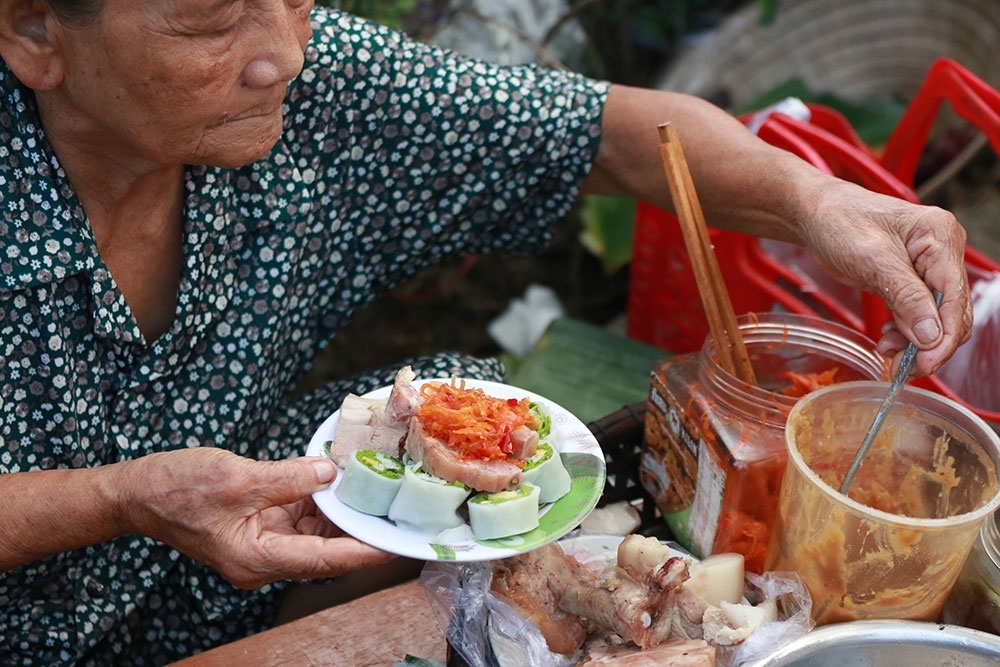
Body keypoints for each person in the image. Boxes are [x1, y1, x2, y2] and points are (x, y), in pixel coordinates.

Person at [0, 0, 972, 664]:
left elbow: (623, 136)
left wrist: (819, 201)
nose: (282, 56)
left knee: (466, 409)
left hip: (218, 544)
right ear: (35, 29)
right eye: (209, 20)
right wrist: (119, 499)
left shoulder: (318, 86)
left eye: (294, 0)